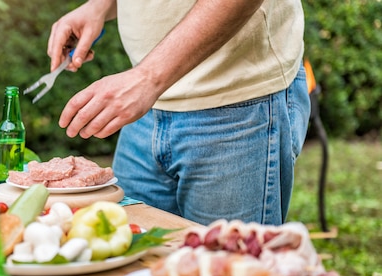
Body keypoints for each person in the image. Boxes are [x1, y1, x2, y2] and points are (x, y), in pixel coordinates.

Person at [46, 0, 310, 226]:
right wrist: (99, 6)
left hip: (237, 109)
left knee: (226, 263)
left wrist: (148, 78)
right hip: (144, 111)